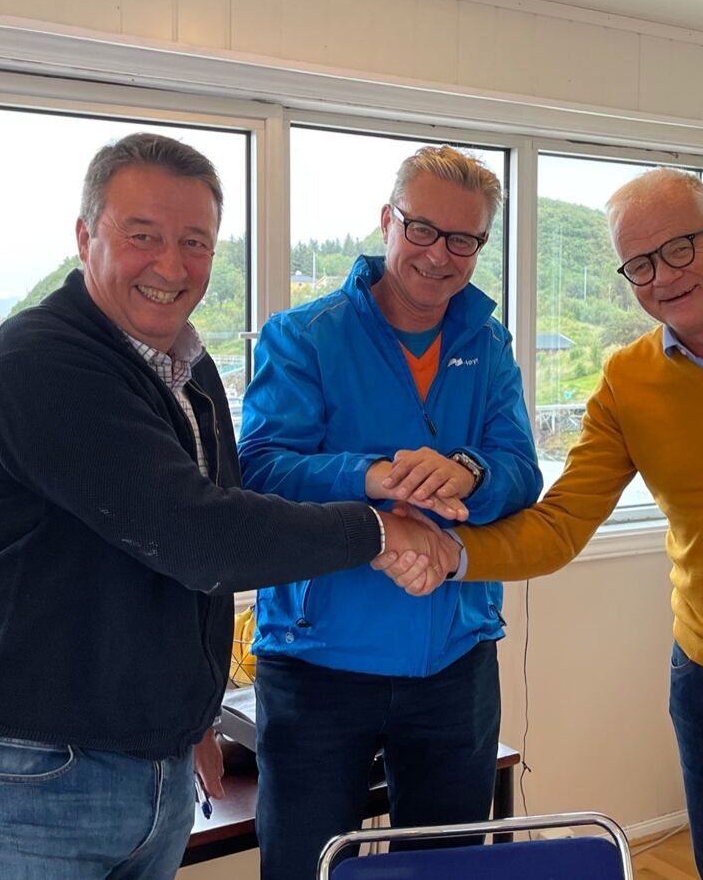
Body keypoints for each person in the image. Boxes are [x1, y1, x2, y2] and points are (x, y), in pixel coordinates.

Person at [0, 132, 448, 880]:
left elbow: (198, 555)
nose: (171, 265)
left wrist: (192, 715)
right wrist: (380, 530)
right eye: (143, 236)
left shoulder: (185, 372)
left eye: (195, 242)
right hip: (35, 772)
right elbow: (201, 537)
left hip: (148, 762)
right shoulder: (42, 358)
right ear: (84, 237)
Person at [378, 168, 703, 880]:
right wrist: (450, 554)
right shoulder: (627, 381)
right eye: (639, 263)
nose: (662, 277)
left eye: (679, 248)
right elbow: (562, 523)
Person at [237, 144, 541, 880]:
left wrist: (467, 469)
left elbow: (520, 471)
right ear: (387, 222)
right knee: (307, 868)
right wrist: (379, 477)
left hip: (456, 659)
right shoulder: (303, 335)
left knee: (447, 869)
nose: (440, 256)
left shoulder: (487, 340)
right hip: (318, 665)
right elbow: (261, 469)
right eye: (423, 229)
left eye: (464, 239)